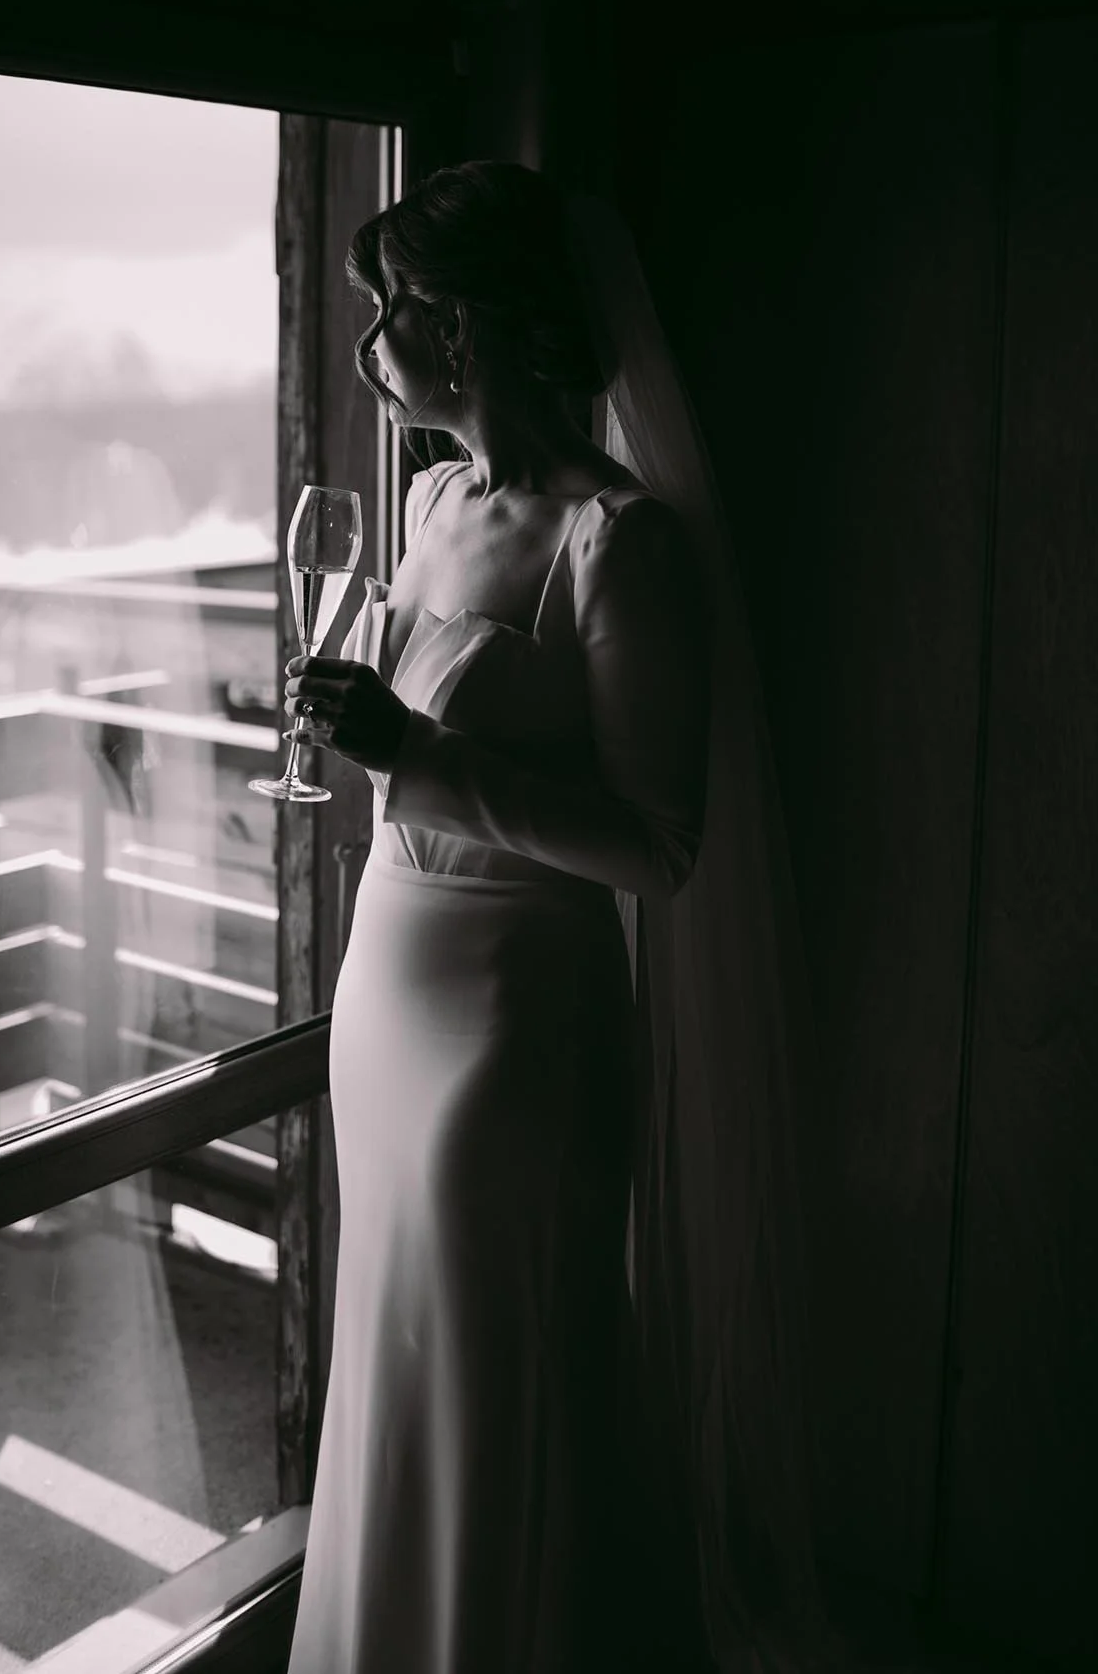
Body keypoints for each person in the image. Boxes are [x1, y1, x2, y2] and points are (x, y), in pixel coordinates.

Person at [281, 162, 845, 1674]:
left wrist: (419, 754)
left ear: (472, 328)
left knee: (496, 1376)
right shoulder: (426, 498)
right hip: (389, 993)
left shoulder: (619, 540)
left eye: (390, 311)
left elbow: (660, 847)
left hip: (520, 1020)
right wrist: (368, 742)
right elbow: (416, 742)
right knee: (394, 1363)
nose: (366, 348)